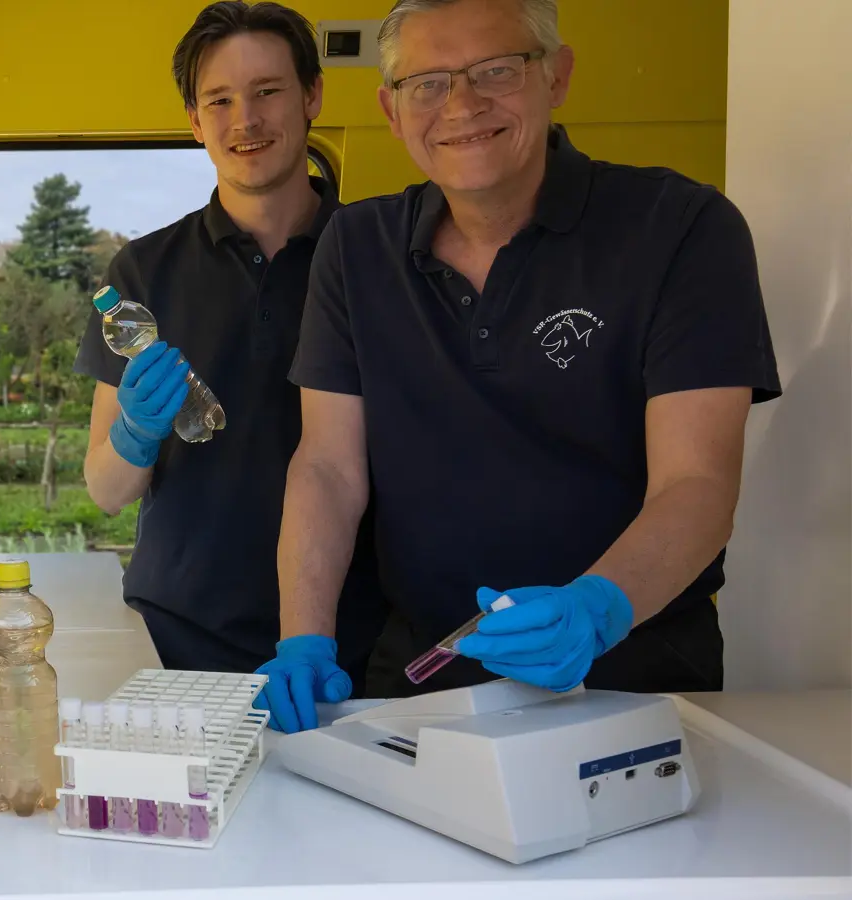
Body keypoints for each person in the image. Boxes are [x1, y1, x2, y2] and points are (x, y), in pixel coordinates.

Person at [259, 0, 781, 732]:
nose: (463, 105)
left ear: (556, 75)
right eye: (428, 83)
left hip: (635, 673)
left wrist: (599, 609)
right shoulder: (355, 248)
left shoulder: (681, 228)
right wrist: (303, 637)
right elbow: (327, 465)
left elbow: (698, 482)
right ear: (392, 109)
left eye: (496, 70)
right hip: (422, 677)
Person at [76, 1, 384, 683]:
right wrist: (135, 432)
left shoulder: (377, 257)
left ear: (312, 96)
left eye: (268, 91)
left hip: (350, 644)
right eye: (219, 100)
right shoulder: (142, 272)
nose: (245, 120)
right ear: (195, 121)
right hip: (176, 640)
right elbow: (105, 489)